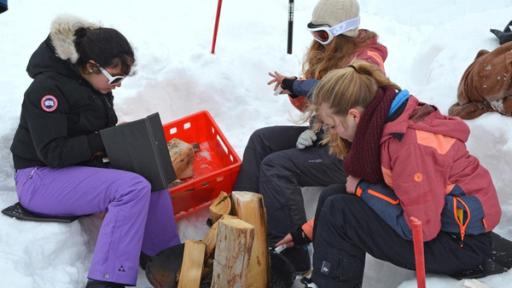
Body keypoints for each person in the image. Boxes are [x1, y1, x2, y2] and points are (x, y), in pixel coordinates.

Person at [304, 60, 511, 287]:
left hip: (461, 245)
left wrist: (363, 189)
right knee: (334, 196)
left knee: (341, 211)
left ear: (354, 116)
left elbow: (419, 229)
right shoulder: (384, 122)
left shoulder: (408, 145)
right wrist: (304, 232)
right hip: (447, 227)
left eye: (333, 126)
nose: (333, 133)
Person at [10, 15, 180, 288]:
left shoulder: (90, 84)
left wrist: (120, 139)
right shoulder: (46, 90)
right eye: (116, 77)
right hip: (38, 178)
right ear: (91, 66)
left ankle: (164, 258)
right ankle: (107, 279)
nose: (119, 84)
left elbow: (93, 134)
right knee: (132, 188)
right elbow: (53, 152)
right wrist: (103, 140)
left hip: (74, 169)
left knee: (148, 171)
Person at [234, 0, 387, 273]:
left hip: (351, 152)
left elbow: (341, 91)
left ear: (344, 32)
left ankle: (290, 255)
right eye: (315, 33)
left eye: (324, 35)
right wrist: (295, 92)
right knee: (261, 140)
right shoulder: (327, 52)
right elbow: (311, 102)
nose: (318, 41)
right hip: (327, 134)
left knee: (277, 166)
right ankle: (239, 222)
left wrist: (299, 84)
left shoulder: (368, 59)